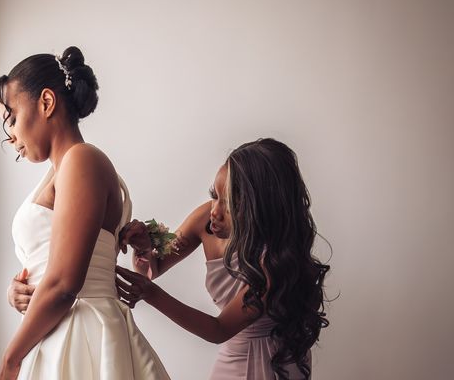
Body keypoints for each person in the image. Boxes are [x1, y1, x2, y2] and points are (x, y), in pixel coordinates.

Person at [0, 46, 170, 380]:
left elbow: (63, 283)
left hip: (80, 333)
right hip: (57, 331)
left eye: (12, 116)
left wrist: (10, 361)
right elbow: (53, 263)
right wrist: (19, 289)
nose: (11, 134)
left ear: (46, 102)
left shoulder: (81, 160)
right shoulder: (64, 170)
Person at [116, 138, 330, 380]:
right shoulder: (205, 221)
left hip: (273, 365)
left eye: (229, 204)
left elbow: (219, 330)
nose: (214, 211)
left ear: (261, 208)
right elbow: (156, 266)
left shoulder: (273, 263)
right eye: (215, 195)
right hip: (233, 357)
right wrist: (144, 247)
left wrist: (151, 294)